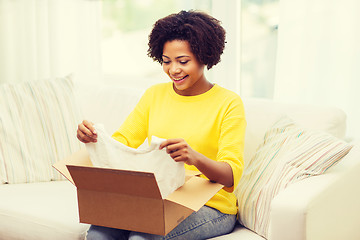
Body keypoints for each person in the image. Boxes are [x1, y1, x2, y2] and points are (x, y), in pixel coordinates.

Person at [77, 10, 246, 240]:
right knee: (98, 235)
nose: (173, 70)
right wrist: (95, 138)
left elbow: (230, 176)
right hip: (159, 200)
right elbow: (122, 141)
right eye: (166, 61)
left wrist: (193, 157)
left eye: (183, 61)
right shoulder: (154, 95)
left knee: (141, 238)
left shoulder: (228, 103)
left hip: (211, 207)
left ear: (204, 57)